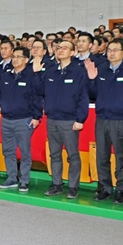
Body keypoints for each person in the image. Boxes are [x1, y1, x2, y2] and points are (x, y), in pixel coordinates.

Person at [84, 38, 123, 204]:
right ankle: (105, 188)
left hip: (121, 119)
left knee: (120, 156)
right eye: (109, 50)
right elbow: (93, 94)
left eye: (116, 50)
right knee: (101, 156)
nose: (111, 53)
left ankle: (121, 189)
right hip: (102, 119)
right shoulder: (101, 69)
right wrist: (92, 79)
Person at [32, 39, 89, 199]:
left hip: (70, 120)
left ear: (73, 52)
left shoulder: (78, 71)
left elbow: (83, 97)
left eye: (65, 48)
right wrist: (37, 73)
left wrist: (80, 119)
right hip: (52, 119)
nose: (61, 50)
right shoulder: (50, 70)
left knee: (72, 155)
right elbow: (39, 90)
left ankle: (73, 186)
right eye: (58, 48)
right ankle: (56, 184)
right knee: (54, 154)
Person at [0, 46, 42, 192]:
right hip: (6, 119)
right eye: (14, 57)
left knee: (25, 152)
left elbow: (38, 96)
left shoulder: (32, 75)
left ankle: (24, 180)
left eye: (19, 57)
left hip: (24, 119)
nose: (15, 59)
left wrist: (37, 117)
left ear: (26, 59)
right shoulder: (6, 75)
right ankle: (11, 178)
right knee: (8, 151)